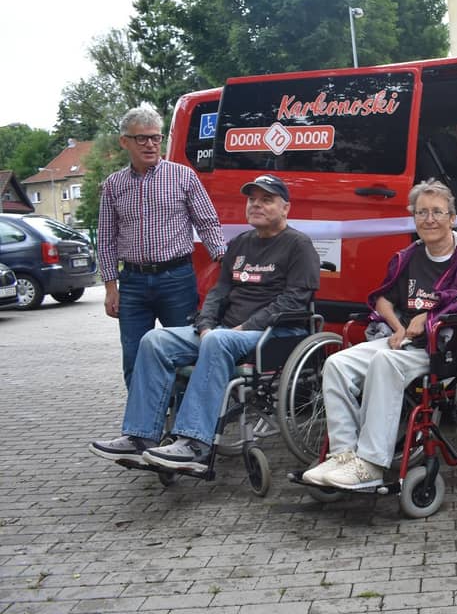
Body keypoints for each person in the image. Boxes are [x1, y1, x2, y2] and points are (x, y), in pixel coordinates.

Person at [90, 174, 321, 472]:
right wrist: (206, 324)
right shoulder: (240, 244)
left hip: (273, 333)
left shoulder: (299, 245)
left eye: (267, 200)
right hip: (225, 332)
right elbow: (219, 291)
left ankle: (195, 443)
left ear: (286, 208)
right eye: (252, 200)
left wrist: (244, 327)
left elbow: (294, 300)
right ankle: (140, 437)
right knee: (154, 341)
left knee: (217, 340)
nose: (256, 205)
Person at [301, 179, 457, 490]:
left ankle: (371, 464)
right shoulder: (409, 256)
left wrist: (430, 316)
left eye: (437, 212)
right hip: (404, 340)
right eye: (421, 212)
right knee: (337, 364)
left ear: (452, 218)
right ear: (413, 218)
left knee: (385, 362)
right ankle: (343, 455)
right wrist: (398, 326)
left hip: (444, 345)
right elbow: (383, 298)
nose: (429, 219)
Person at [98, 106, 227, 389]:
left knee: (183, 356)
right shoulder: (113, 185)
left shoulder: (183, 176)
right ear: (124, 142)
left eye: (156, 137)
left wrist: (222, 257)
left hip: (176, 280)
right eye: (142, 138)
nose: (150, 145)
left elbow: (207, 222)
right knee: (134, 359)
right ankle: (140, 417)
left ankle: (181, 415)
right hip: (133, 283)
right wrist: (110, 288)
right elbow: (106, 239)